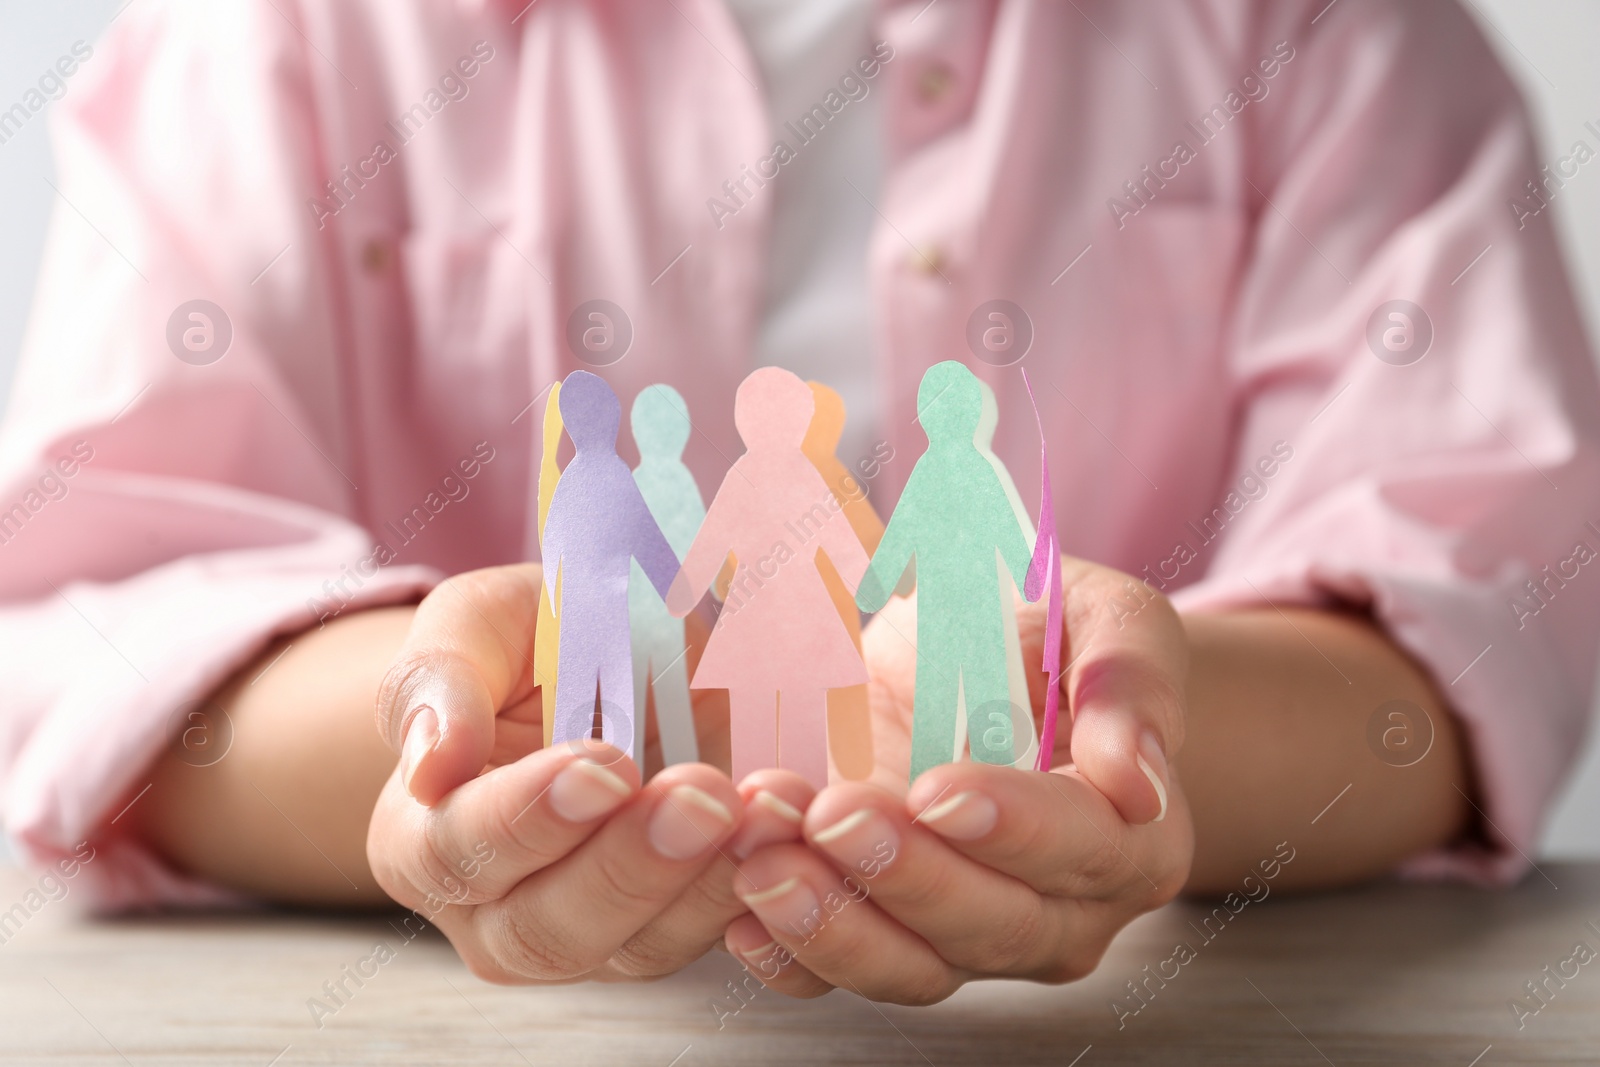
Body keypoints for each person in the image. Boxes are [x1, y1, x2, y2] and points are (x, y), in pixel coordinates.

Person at [0, 0, 1597, 1007]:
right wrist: (490, 721)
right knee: (664, 692)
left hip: (975, 702)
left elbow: (1473, 616)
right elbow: (98, 626)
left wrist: (1100, 723)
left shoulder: (1332, 35)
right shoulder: (267, 37)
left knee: (907, 684)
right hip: (636, 676)